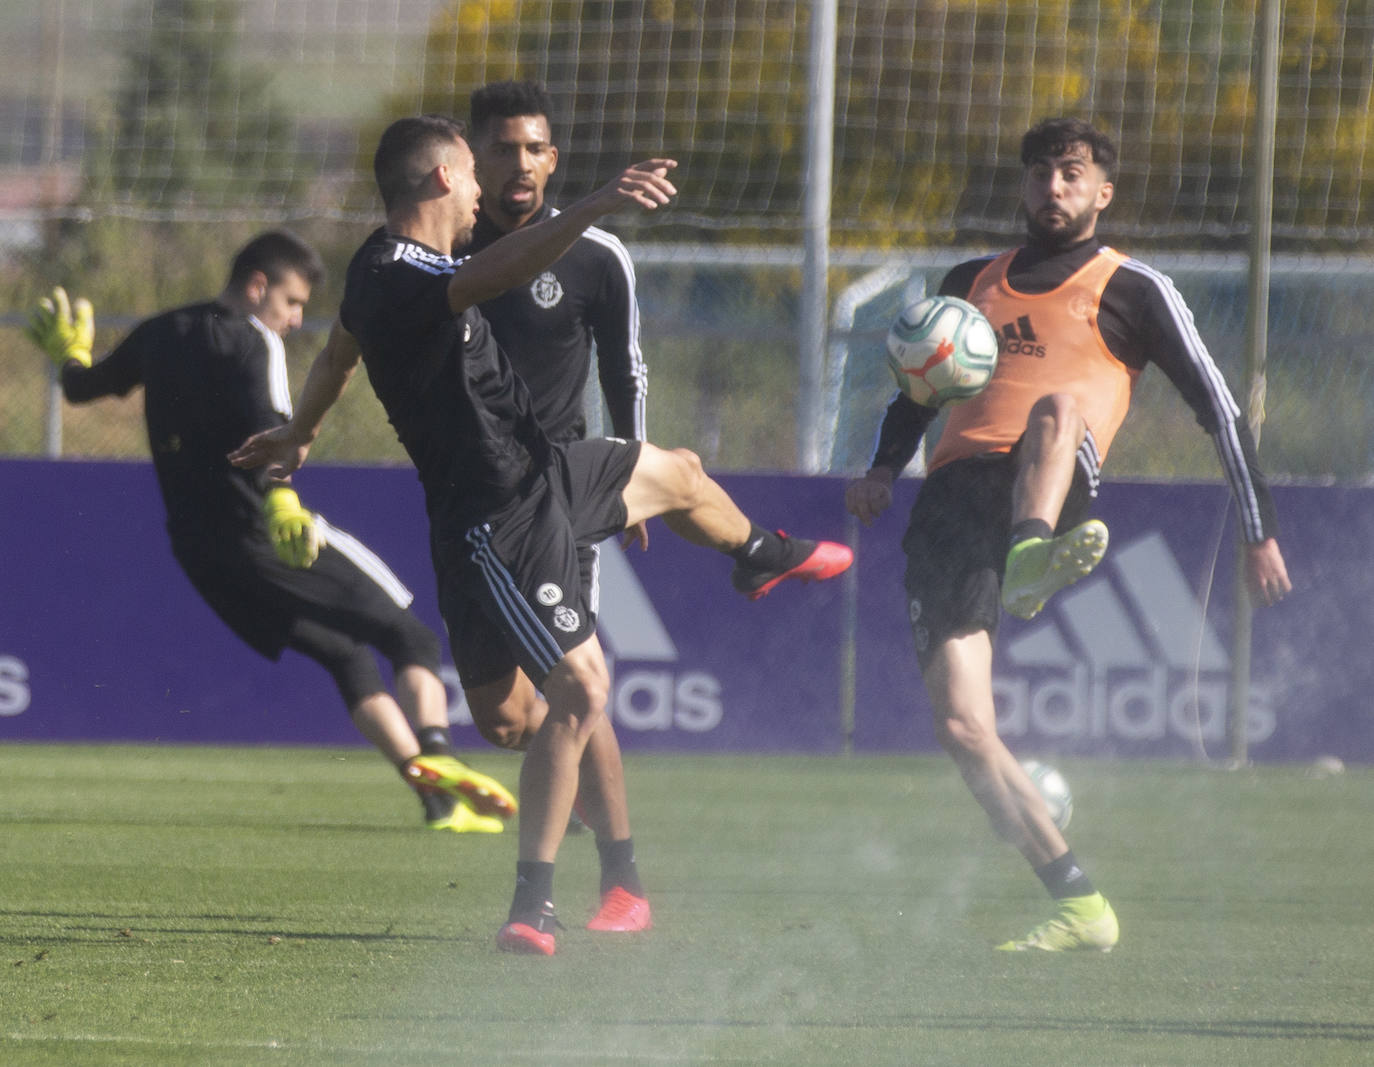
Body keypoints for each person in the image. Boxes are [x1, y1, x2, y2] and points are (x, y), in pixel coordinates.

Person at [228, 116, 853, 955]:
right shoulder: (398, 270)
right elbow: (494, 271)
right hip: (494, 522)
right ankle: (539, 899)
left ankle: (758, 556)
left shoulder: (394, 274)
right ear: (446, 178)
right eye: (474, 175)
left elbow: (338, 350)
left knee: (677, 476)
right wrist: (595, 202)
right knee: (524, 716)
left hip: (543, 468)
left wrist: (301, 432)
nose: (487, 189)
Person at [844, 118, 1291, 953]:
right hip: (951, 502)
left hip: (1049, 478)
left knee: (1056, 408)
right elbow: (915, 393)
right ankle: (1079, 902)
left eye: (1073, 175)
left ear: (1102, 192)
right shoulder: (969, 280)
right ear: (1023, 186)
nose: (1055, 188)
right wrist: (879, 469)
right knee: (964, 727)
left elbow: (1219, 410)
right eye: (1042, 174)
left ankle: (1033, 552)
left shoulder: (1134, 288)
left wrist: (1258, 527)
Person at [25, 230, 518, 835]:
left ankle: (440, 802)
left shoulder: (162, 331)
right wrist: (283, 503)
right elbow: (275, 432)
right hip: (268, 533)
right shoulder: (253, 342)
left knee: (344, 656)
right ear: (258, 287)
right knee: (411, 635)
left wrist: (69, 354)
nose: (295, 319)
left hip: (203, 554)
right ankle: (441, 759)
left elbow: (81, 388)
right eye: (291, 303)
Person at [461, 80, 644, 849]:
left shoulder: (595, 253)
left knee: (574, 685)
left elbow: (624, 371)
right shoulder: (441, 252)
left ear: (554, 157)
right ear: (470, 157)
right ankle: (560, 769)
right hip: (466, 499)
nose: (520, 163)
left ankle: (618, 870)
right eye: (503, 148)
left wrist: (634, 476)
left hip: (561, 492)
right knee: (506, 720)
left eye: (534, 148)